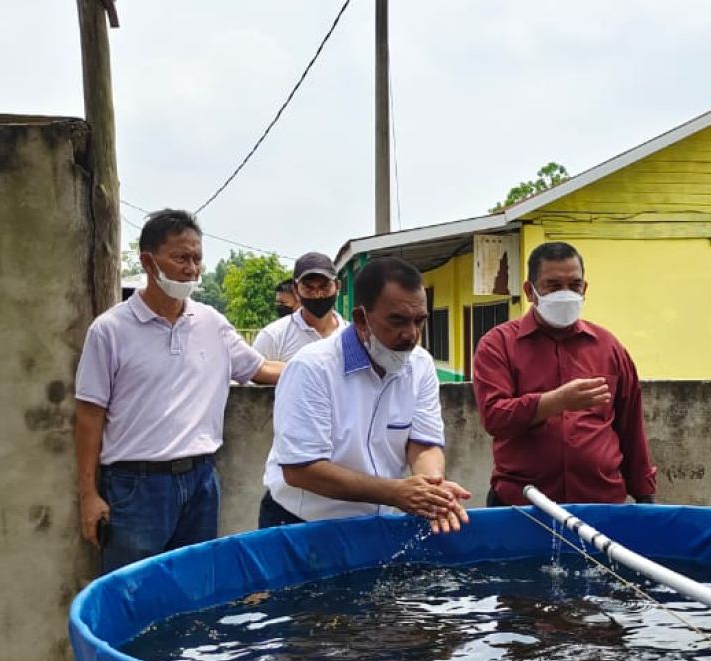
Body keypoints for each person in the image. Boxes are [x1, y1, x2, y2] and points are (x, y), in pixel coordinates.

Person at [75, 209, 285, 573]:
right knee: (133, 593)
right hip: (135, 487)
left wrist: (323, 363)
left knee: (195, 591)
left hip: (201, 482)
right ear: (147, 261)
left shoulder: (211, 324)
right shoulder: (110, 331)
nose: (192, 269)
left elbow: (261, 370)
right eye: (181, 258)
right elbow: (89, 415)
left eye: (197, 258)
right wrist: (89, 495)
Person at [259, 256, 470, 532]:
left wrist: (431, 489)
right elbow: (301, 469)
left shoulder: (420, 365)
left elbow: (424, 443)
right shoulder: (312, 368)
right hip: (302, 525)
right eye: (397, 321)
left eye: (419, 321)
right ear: (361, 319)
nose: (411, 334)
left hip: (374, 524)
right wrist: (395, 493)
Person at [472, 241, 657, 506]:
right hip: (523, 505)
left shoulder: (609, 347)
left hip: (600, 504)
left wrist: (644, 495)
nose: (566, 294)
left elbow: (631, 427)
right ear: (530, 291)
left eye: (574, 285)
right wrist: (554, 402)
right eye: (553, 286)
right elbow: (495, 416)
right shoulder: (498, 344)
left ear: (585, 289)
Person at [253, 253, 347, 362]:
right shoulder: (273, 337)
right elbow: (255, 374)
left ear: (337, 287)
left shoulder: (352, 336)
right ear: (296, 290)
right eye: (308, 288)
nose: (317, 295)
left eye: (325, 286)